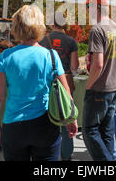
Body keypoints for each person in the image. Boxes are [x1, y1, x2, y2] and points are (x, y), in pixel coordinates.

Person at [0, 4, 78, 161]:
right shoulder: (51, 56)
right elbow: (66, 93)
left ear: (17, 26)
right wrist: (71, 119)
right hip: (45, 124)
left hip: (13, 125)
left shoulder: (5, 56)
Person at [82, 0, 116, 161]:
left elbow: (98, 64)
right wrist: (112, 74)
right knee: (106, 130)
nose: (88, 13)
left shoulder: (97, 30)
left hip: (100, 90)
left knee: (90, 130)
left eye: (88, 8)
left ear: (95, 8)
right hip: (115, 88)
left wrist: (89, 85)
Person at [39, 10, 79, 161]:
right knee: (66, 116)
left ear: (51, 23)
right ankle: (67, 155)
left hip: (48, 82)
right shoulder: (71, 41)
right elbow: (74, 66)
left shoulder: (43, 40)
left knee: (49, 117)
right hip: (66, 81)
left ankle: (50, 154)